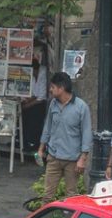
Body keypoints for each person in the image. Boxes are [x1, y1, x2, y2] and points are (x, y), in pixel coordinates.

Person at [37, 71, 92, 205]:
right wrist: (41, 149)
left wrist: (82, 158)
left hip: (72, 159)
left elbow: (86, 133)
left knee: (71, 197)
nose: (50, 90)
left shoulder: (81, 107)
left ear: (61, 88)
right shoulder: (53, 104)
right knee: (47, 195)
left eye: (53, 87)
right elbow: (48, 127)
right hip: (54, 156)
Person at [21, 58, 48, 151]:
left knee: (34, 119)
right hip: (35, 100)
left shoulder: (43, 73)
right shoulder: (32, 75)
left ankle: (35, 143)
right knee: (24, 117)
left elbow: (41, 97)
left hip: (41, 103)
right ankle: (25, 142)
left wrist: (26, 106)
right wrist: (26, 101)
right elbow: (34, 93)